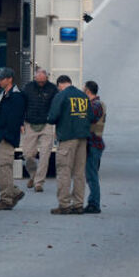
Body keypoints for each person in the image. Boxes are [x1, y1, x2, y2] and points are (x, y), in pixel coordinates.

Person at [46, 75, 90, 215]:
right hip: (82, 139)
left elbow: (52, 117)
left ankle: (64, 204)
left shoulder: (61, 96)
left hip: (67, 138)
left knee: (64, 171)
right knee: (79, 173)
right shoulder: (83, 96)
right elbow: (91, 116)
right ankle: (78, 204)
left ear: (59, 85)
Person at [0, 67, 27, 211]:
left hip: (6, 137)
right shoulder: (3, 94)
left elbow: (15, 118)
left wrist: (6, 134)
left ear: (9, 79)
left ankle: (6, 199)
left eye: (1, 78)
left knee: (4, 168)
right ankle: (14, 192)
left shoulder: (17, 96)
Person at [21, 68, 56, 192]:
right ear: (35, 78)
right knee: (28, 154)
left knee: (45, 155)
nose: (41, 83)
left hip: (46, 124)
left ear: (46, 78)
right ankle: (33, 174)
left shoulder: (53, 89)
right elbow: (21, 106)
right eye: (38, 81)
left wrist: (55, 124)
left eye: (43, 81)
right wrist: (21, 123)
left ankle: (39, 183)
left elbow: (56, 107)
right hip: (30, 124)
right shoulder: (27, 88)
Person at [83, 80, 106, 214]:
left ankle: (94, 204)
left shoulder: (95, 105)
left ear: (87, 91)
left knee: (92, 175)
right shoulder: (98, 104)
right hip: (94, 143)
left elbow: (89, 119)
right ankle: (93, 202)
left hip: (94, 143)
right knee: (91, 175)